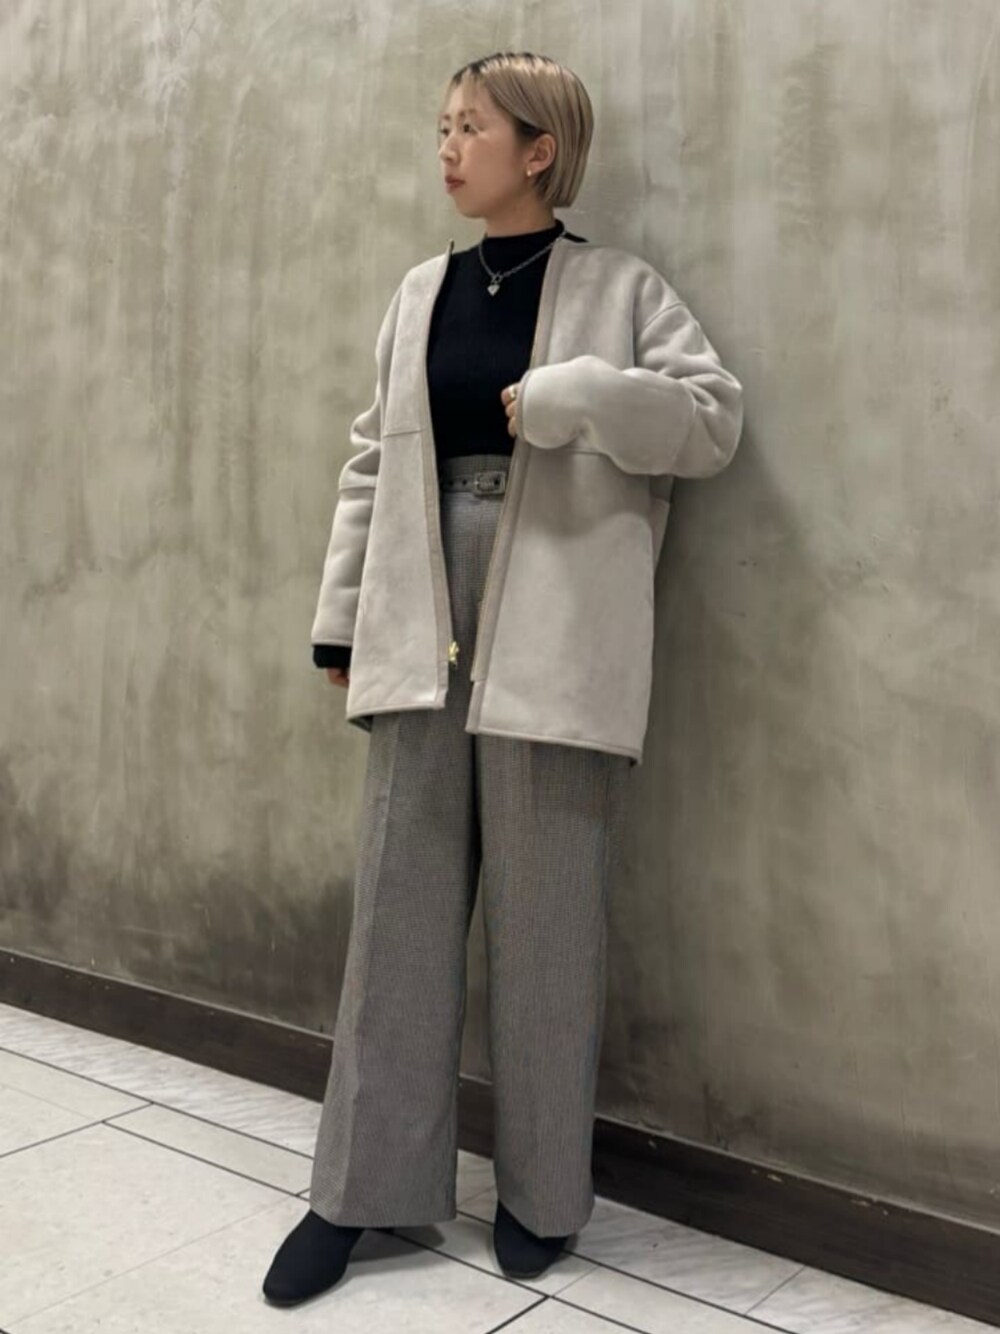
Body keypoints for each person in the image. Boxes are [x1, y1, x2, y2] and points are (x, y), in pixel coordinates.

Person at [263, 50, 743, 1307]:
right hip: (421, 603)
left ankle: (541, 1195)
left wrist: (581, 396)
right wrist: (339, 625)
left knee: (547, 920)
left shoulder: (620, 288)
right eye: (442, 124)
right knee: (398, 910)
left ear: (540, 149)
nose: (446, 145)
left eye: (470, 126)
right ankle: (363, 1189)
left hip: (559, 622)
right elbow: (372, 461)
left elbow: (709, 421)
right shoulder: (420, 291)